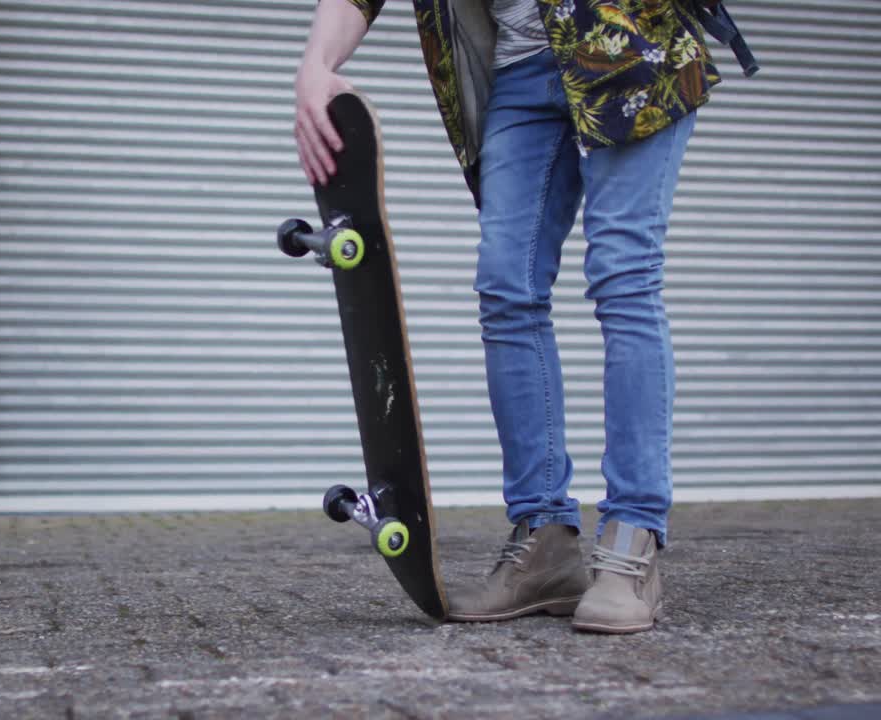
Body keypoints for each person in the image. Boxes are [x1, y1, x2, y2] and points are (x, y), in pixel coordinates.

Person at [294, 0, 730, 634]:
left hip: (627, 41)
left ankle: (632, 540)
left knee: (624, 277)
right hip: (521, 70)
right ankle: (545, 539)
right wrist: (317, 63)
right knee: (507, 290)